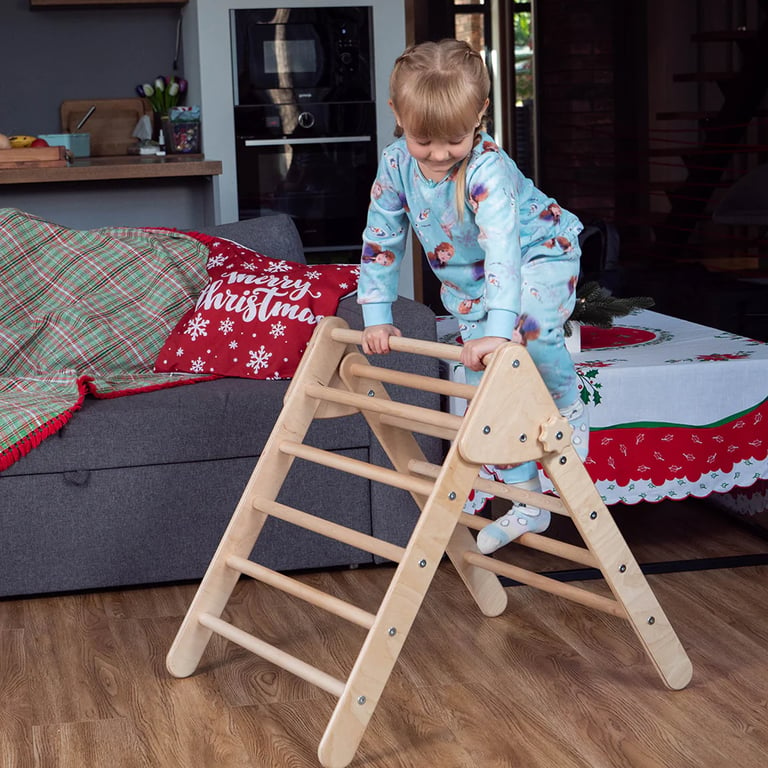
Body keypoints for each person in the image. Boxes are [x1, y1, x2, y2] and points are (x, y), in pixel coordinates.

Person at [357, 38, 589, 555]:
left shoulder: (487, 169)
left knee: (527, 324)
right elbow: (380, 242)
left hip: (538, 256)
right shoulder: (396, 166)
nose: (439, 155)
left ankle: (568, 409)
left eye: (454, 140)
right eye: (424, 141)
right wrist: (377, 315)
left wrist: (499, 328)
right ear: (396, 115)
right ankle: (527, 501)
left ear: (481, 113)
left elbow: (504, 251)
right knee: (487, 395)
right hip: (474, 290)